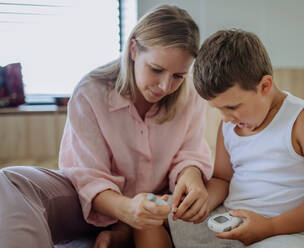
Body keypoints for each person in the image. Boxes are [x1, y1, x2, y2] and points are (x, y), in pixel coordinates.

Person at [0, 5, 213, 248]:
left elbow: (189, 155)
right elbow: (87, 178)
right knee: (8, 181)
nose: (165, 86)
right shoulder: (90, 92)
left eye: (178, 76)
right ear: (133, 49)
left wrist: (192, 178)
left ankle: (125, 232)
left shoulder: (191, 96)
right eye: (156, 69)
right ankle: (124, 229)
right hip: (91, 205)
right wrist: (126, 210)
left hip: (159, 206)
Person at [169, 29, 304, 248]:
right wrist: (204, 202)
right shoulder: (230, 123)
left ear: (265, 86)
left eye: (232, 107)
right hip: (231, 220)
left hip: (288, 230)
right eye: (217, 109)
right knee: (161, 223)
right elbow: (222, 179)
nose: (225, 118)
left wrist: (270, 226)